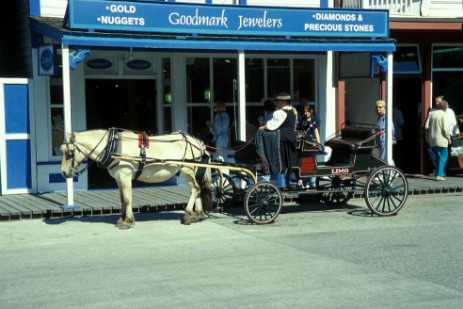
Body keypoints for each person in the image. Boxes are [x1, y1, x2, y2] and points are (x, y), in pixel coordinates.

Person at [261, 92, 297, 189]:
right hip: (287, 140)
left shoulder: (280, 113)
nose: (276, 104)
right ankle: (284, 182)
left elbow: (271, 126)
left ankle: (278, 183)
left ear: (283, 102)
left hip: (280, 141)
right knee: (286, 163)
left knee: (278, 162)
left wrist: (262, 128)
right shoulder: (292, 112)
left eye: (277, 101)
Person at [425, 100, 451, 181]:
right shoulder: (444, 115)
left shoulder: (432, 114)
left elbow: (426, 126)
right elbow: (445, 129)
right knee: (443, 158)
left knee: (438, 157)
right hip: (442, 140)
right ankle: (439, 175)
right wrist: (448, 138)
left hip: (433, 140)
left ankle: (437, 173)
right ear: (445, 107)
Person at [297, 105, 320, 189]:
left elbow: (316, 133)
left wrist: (318, 144)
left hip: (312, 143)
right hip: (304, 143)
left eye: (307, 111)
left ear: (311, 112)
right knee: (304, 163)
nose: (305, 113)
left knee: (313, 162)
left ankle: (312, 182)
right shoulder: (302, 120)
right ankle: (303, 180)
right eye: (304, 112)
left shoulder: (313, 121)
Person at [393, 102, 405, 169]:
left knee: (394, 153)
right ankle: (398, 167)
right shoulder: (398, 112)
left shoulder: (389, 111)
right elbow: (402, 123)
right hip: (398, 135)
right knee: (398, 153)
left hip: (392, 135)